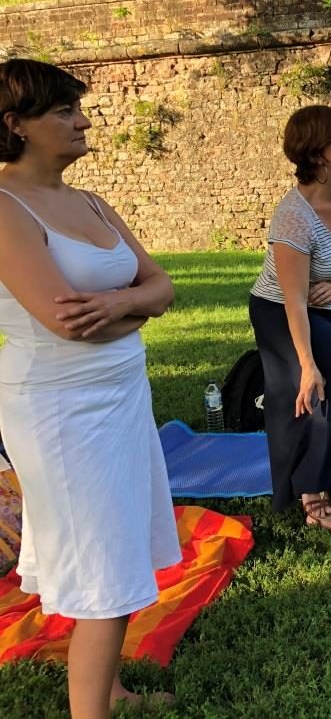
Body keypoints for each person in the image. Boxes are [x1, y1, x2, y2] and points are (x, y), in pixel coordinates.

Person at [0, 59, 181, 718]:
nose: (82, 121)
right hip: (58, 407)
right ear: (15, 125)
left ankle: (110, 689)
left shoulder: (91, 203)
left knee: (120, 539)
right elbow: (65, 323)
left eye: (78, 108)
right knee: (100, 560)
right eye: (63, 112)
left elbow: (162, 285)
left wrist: (117, 305)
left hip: (120, 394)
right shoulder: (4, 207)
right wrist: (131, 308)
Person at [249, 105, 331, 532]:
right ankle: (313, 501)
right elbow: (293, 300)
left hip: (329, 299)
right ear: (317, 154)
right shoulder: (293, 217)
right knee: (313, 389)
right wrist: (306, 366)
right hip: (282, 309)